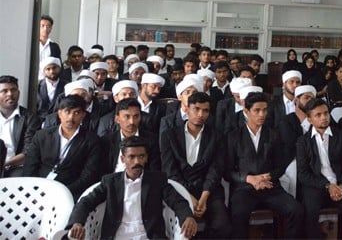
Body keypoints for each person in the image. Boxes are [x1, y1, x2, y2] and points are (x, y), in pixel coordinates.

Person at [66, 135, 197, 239]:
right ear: (123, 159)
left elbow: (177, 201)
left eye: (141, 156)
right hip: (117, 236)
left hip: (149, 235)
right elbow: (86, 202)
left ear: (146, 158)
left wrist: (188, 217)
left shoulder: (157, 180)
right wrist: (77, 222)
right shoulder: (110, 181)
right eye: (131, 157)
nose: (137, 162)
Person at [224, 92, 304, 238]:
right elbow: (227, 171)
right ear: (246, 111)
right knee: (238, 213)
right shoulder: (233, 136)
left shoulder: (274, 135)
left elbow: (280, 165)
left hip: (270, 186)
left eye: (265, 110)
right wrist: (249, 179)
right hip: (244, 189)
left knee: (296, 209)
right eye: (257, 110)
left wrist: (267, 177)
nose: (262, 114)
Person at [296, 98, 342, 239]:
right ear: (310, 120)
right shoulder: (303, 142)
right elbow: (303, 174)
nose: (324, 117)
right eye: (318, 115)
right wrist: (327, 186)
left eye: (326, 113)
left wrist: (341, 185)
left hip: (339, 184)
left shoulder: (341, 137)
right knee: (309, 211)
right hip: (316, 186)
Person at [160, 92, 231, 238]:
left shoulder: (217, 136)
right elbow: (170, 171)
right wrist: (190, 198)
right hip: (179, 190)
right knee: (183, 228)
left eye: (205, 110)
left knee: (222, 226)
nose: (200, 114)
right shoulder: (169, 135)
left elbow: (216, 170)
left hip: (208, 191)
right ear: (186, 109)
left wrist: (203, 198)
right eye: (196, 109)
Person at [23, 94, 102, 199]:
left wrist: (64, 192)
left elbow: (88, 175)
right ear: (60, 113)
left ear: (83, 115)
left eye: (76, 113)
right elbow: (30, 167)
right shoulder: (42, 135)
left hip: (71, 191)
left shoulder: (92, 140)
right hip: (40, 188)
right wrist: (35, 189)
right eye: (67, 112)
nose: (71, 117)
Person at [101, 98, 160, 174]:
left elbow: (154, 171)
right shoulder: (106, 141)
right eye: (127, 116)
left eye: (136, 116)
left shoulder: (152, 140)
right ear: (117, 119)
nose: (132, 122)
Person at [277, 85, 317, 198]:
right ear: (296, 100)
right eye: (306, 98)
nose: (310, 101)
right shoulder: (286, 121)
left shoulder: (318, 120)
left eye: (312, 99)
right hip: (292, 159)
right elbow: (292, 146)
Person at [0, 75, 42, 176]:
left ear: (18, 93)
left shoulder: (30, 118)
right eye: (4, 91)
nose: (10, 94)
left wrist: (4, 164)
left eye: (13, 90)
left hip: (16, 166)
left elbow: (29, 150)